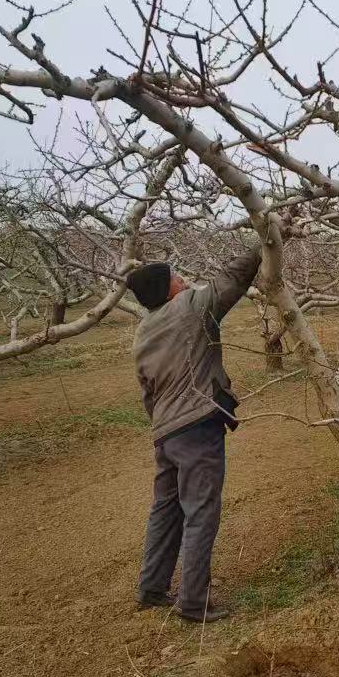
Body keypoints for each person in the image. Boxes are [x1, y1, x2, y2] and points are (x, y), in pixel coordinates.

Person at [126, 242, 263, 623]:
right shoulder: (190, 308)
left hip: (166, 433)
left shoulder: (143, 332)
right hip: (197, 427)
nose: (183, 280)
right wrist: (264, 238)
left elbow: (149, 394)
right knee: (201, 513)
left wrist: (165, 426)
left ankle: (152, 588)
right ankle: (192, 603)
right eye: (176, 277)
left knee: (166, 510)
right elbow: (233, 278)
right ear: (166, 288)